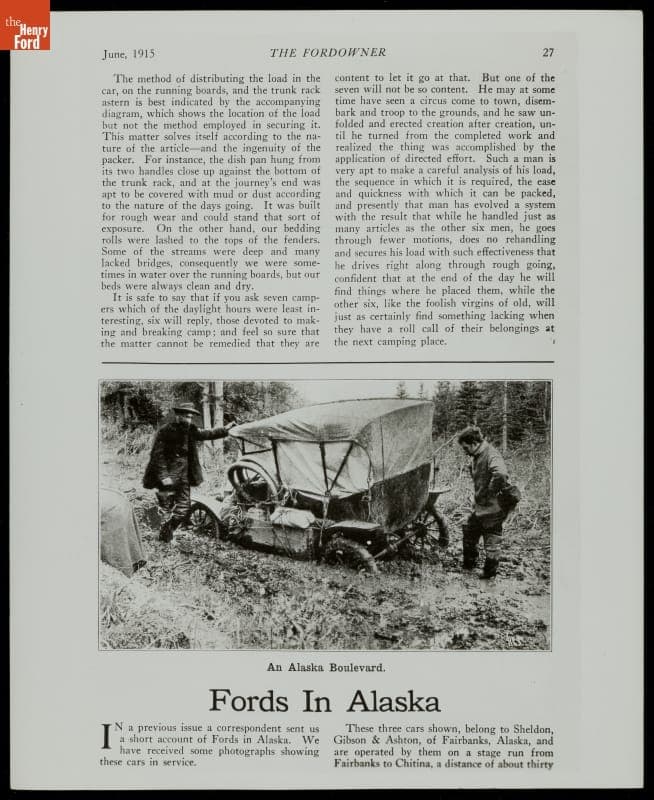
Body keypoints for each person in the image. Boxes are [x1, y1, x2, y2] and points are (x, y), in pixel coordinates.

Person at [142, 403, 236, 542]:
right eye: (186, 416)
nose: (189, 420)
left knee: (183, 510)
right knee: (166, 509)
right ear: (178, 416)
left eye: (191, 417)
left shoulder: (190, 430)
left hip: (184, 476)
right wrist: (164, 476)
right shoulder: (166, 431)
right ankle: (163, 537)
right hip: (168, 477)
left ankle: (166, 533)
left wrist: (225, 430)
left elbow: (207, 434)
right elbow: (157, 456)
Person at [457, 425, 511, 579]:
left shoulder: (491, 454)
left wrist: (489, 492)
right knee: (469, 530)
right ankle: (469, 566)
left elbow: (501, 474)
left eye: (466, 447)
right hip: (481, 506)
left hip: (493, 507)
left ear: (474, 443)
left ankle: (489, 576)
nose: (465, 451)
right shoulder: (476, 456)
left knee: (492, 539)